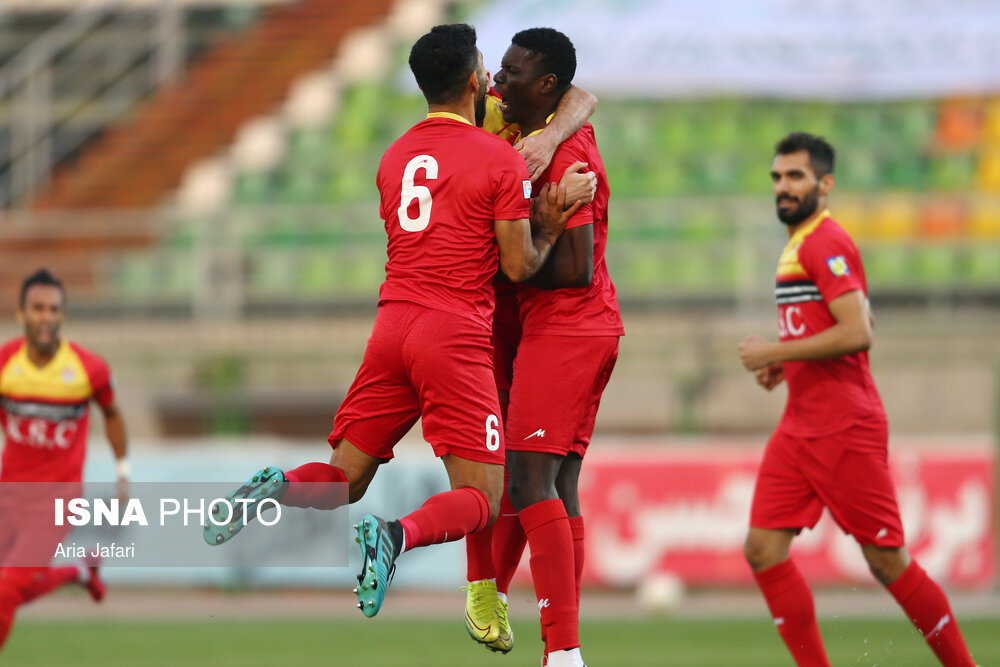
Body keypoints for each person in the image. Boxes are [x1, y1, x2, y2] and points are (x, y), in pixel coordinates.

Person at [205, 23, 585, 619]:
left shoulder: (395, 156)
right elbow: (517, 267)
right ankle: (394, 537)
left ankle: (278, 486)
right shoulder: (498, 159)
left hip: (391, 327)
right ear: (476, 81)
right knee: (482, 497)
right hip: (452, 333)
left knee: (344, 479)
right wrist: (553, 223)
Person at [738, 132, 978, 667]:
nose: (783, 187)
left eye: (796, 176)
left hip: (843, 423)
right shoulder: (801, 242)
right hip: (801, 423)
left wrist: (777, 348)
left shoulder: (825, 241)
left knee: (887, 561)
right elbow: (859, 317)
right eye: (777, 176)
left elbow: (858, 333)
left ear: (825, 184)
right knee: (762, 549)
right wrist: (790, 360)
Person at [465, 28, 624, 667]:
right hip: (560, 326)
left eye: (511, 72)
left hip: (567, 323)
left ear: (545, 86)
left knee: (528, 482)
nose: (498, 82)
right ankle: (541, 631)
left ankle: (563, 652)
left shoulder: (563, 159)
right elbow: (585, 94)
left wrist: (520, 251)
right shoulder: (528, 121)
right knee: (555, 483)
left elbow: (577, 267)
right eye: (494, 71)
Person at [0, 269, 129, 652]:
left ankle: (78, 571)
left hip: (57, 501)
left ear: (63, 316)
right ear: (21, 314)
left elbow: (113, 414)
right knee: (8, 588)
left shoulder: (88, 369)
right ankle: (79, 571)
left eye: (53, 309)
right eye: (37, 308)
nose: (46, 316)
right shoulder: (5, 365)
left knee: (6, 589)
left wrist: (123, 472)